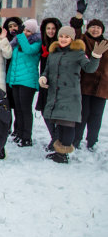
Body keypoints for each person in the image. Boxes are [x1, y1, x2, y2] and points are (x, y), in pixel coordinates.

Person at [39, 26, 107, 163]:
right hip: (55, 94)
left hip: (70, 95)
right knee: (59, 124)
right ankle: (58, 151)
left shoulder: (78, 53)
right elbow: (47, 70)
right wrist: (43, 77)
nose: (63, 39)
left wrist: (95, 56)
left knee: (68, 124)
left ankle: (63, 155)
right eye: (61, 36)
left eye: (67, 37)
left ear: (72, 38)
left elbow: (90, 68)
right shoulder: (54, 53)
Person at [70, 0, 108, 150]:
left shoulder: (106, 44)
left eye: (98, 28)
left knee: (96, 116)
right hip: (85, 85)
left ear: (102, 30)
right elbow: (76, 30)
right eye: (93, 27)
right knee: (82, 114)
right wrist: (79, 15)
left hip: (102, 87)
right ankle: (76, 139)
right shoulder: (83, 40)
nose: (95, 30)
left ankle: (92, 141)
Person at [6, 19, 41, 147]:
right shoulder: (16, 43)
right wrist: (9, 80)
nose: (26, 33)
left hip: (27, 81)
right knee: (18, 109)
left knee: (25, 110)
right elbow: (13, 63)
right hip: (15, 81)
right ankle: (19, 133)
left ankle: (27, 137)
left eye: (28, 31)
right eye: (24, 30)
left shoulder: (36, 43)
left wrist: (20, 35)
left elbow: (28, 50)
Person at [35, 17, 62, 150]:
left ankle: (57, 140)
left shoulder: (61, 44)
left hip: (57, 84)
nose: (51, 31)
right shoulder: (44, 44)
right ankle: (54, 137)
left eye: (53, 28)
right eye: (48, 29)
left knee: (56, 113)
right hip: (44, 82)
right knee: (45, 111)